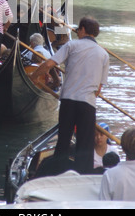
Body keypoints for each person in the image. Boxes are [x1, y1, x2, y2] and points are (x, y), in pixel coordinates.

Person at [30, 17, 110, 175]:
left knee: (64, 140)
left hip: (68, 101)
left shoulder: (72, 45)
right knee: (85, 144)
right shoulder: (103, 54)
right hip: (87, 103)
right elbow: (99, 89)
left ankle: (59, 174)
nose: (77, 32)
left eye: (78, 30)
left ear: (83, 30)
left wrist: (33, 76)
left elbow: (48, 64)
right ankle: (83, 175)